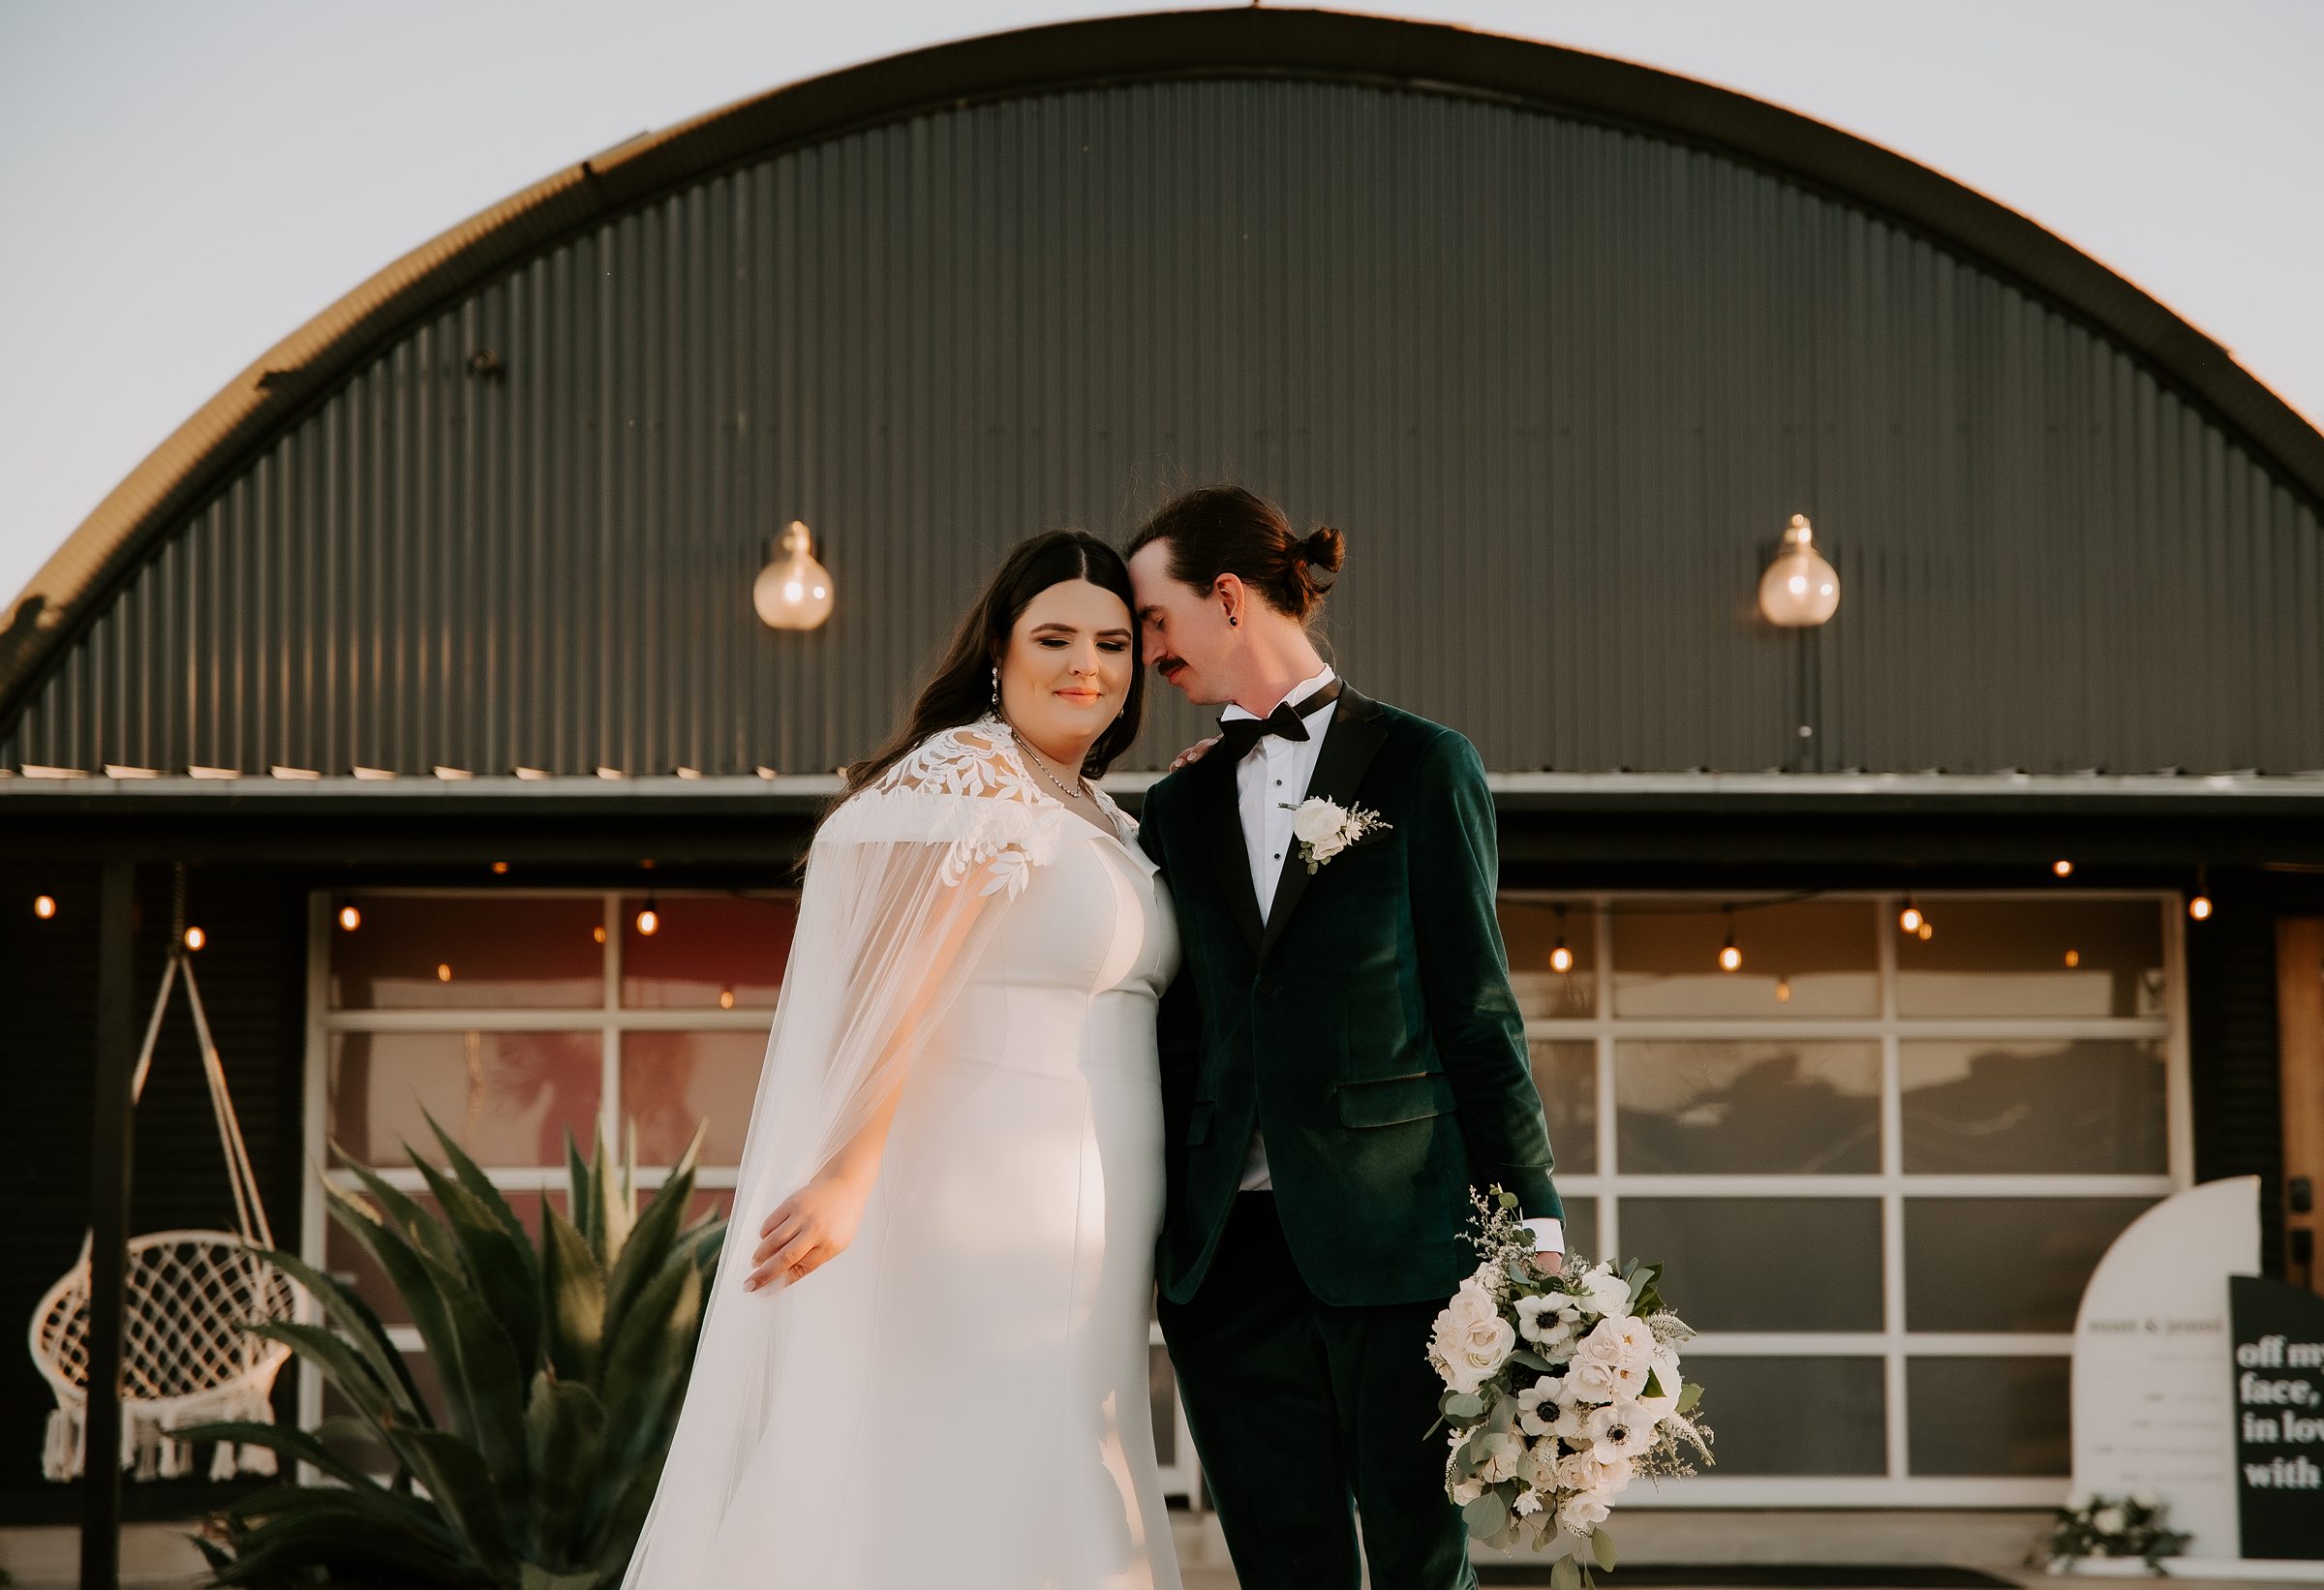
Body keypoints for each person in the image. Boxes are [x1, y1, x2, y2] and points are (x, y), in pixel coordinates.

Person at [622, 531, 1183, 1590]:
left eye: (1113, 642)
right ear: (997, 653)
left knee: (1060, 1455)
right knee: (975, 1468)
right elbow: (896, 985)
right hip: (982, 1193)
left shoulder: (1100, 811)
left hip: (1095, 1220)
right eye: (1054, 637)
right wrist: (847, 1167)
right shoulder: (968, 773)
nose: (1087, 665)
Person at [1127, 486, 1566, 1590]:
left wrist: (1535, 1223)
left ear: (1226, 597)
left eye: (1152, 617)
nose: (1143, 651)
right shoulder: (1172, 811)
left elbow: (1476, 1009)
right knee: (1284, 1569)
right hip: (1227, 1266)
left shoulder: (1424, 765)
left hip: (1398, 1247)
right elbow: (1172, 1039)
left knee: (1422, 1569)